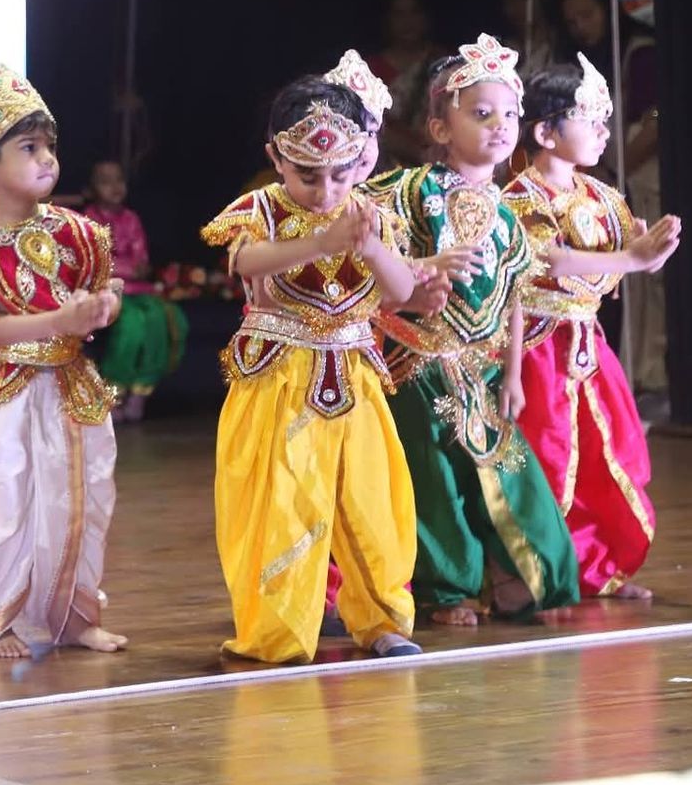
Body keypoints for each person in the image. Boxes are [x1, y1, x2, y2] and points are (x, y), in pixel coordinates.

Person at [201, 78, 421, 663]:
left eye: (341, 175)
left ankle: (382, 622)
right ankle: (278, 632)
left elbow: (401, 292)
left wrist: (371, 249)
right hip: (280, 380)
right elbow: (246, 261)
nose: (326, 190)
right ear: (276, 157)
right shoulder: (261, 210)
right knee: (283, 502)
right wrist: (321, 240)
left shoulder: (368, 215)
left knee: (371, 501)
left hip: (354, 376)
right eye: (308, 175)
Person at [365, 35, 581, 626]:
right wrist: (414, 282)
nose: (500, 126)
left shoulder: (509, 214)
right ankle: (447, 590)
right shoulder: (408, 192)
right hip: (414, 364)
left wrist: (512, 373)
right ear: (439, 128)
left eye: (509, 113)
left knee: (511, 472)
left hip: (480, 369)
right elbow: (367, 262)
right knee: (432, 485)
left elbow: (515, 294)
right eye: (480, 114)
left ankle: (522, 579)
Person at [0, 66, 127, 659]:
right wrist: (56, 323)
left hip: (70, 385)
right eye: (29, 148)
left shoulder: (77, 232)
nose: (46, 159)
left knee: (82, 498)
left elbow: (105, 291)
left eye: (50, 147)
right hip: (4, 389)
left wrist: (102, 308)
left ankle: (72, 615)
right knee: (2, 501)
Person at [503, 58, 680, 600]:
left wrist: (652, 254)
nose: (605, 131)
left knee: (606, 460)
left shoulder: (603, 196)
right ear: (544, 132)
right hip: (537, 347)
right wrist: (632, 258)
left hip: (588, 346)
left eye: (606, 118)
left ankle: (594, 568)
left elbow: (632, 256)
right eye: (591, 118)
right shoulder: (518, 200)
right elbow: (550, 261)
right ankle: (531, 573)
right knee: (547, 455)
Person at [559, 0, 666, 404]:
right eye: (572, 21)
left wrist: (620, 166)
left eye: (587, 14)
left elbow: (654, 119)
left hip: (642, 175)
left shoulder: (638, 52)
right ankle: (637, 366)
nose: (581, 26)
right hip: (615, 176)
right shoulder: (592, 60)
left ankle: (654, 368)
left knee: (651, 280)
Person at [81, 159, 186, 422]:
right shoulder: (89, 219)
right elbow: (99, 262)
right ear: (93, 188)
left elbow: (141, 263)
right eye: (105, 181)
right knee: (132, 324)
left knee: (164, 320)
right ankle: (114, 392)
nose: (114, 187)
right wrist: (126, 268)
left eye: (119, 180)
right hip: (107, 289)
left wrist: (127, 268)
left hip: (140, 288)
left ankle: (141, 392)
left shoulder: (131, 219)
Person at [364, 0, 444, 167]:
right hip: (386, 166)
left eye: (414, 12)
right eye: (399, 14)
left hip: (438, 161)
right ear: (387, 20)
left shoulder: (443, 63)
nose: (407, 22)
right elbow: (370, 126)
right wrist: (416, 152)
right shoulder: (371, 70)